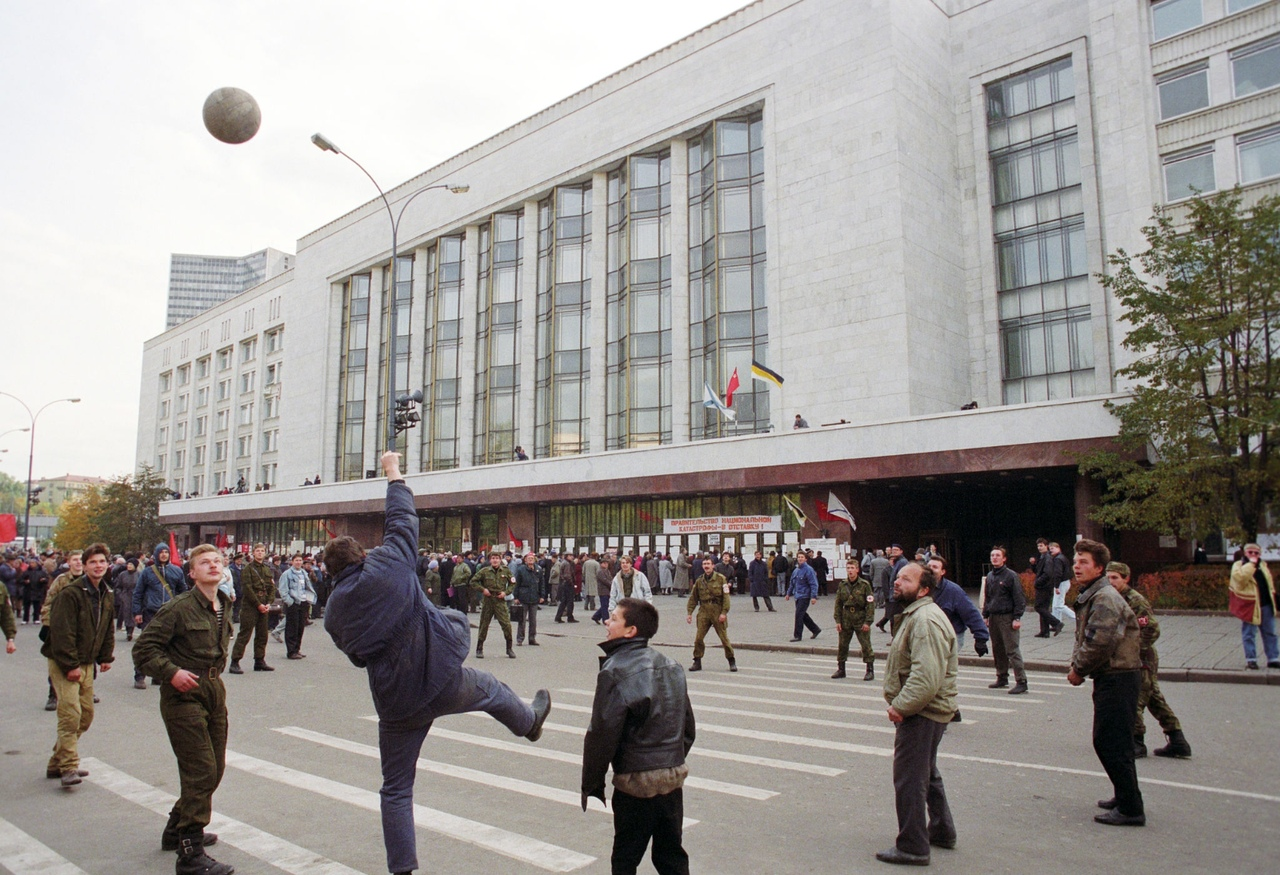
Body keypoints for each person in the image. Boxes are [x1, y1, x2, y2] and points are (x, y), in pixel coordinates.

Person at [323, 450, 551, 875]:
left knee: (395, 789)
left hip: (396, 702)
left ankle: (403, 869)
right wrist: (393, 473)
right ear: (361, 555)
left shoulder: (334, 612)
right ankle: (529, 723)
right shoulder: (388, 564)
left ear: (331, 572)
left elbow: (356, 658)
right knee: (492, 689)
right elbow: (402, 521)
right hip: (441, 675)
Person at [132, 544, 234, 875]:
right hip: (183, 696)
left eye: (218, 561)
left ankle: (176, 828)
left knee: (214, 768)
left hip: (213, 691)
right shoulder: (179, 608)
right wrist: (171, 672)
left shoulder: (225, 603)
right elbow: (143, 649)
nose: (213, 565)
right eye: (205, 562)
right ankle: (189, 852)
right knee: (201, 769)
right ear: (191, 573)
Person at [582, 598, 695, 875]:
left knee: (624, 860)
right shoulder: (671, 665)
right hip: (671, 779)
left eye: (613, 619)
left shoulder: (614, 670)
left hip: (635, 784)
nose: (607, 623)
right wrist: (669, 760)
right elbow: (688, 728)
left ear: (630, 630)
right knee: (671, 857)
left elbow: (602, 735)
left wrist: (592, 783)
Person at [875, 561, 957, 866]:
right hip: (929, 710)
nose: (897, 582)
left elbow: (926, 676)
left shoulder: (925, 620)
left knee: (909, 778)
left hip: (923, 712)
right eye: (898, 577)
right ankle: (941, 830)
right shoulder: (915, 614)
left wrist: (901, 707)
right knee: (927, 772)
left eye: (905, 580)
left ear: (924, 589)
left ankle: (913, 846)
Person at [1066, 539, 1145, 827]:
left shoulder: (1105, 597)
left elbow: (1100, 641)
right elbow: (1087, 636)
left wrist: (1079, 669)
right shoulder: (1094, 593)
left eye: (1084, 561)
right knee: (1114, 740)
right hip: (1112, 674)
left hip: (1119, 676)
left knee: (1110, 742)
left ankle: (1131, 808)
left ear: (1099, 567)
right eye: (1076, 561)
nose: (1077, 566)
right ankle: (1124, 796)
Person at [43, 542, 115, 788]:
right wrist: (70, 665)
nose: (98, 566)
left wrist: (106, 656)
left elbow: (107, 628)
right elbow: (62, 633)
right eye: (93, 562)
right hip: (65, 662)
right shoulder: (71, 593)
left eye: (102, 562)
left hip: (86, 663)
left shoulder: (106, 593)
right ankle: (68, 767)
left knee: (85, 715)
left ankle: (56, 761)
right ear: (84, 566)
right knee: (70, 714)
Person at [1106, 562, 1191, 759]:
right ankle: (1177, 740)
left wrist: (1135, 652)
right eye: (1108, 578)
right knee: (1154, 699)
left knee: (1134, 698)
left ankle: (1136, 743)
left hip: (1141, 658)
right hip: (1130, 656)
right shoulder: (1115, 598)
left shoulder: (1135, 600)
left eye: (1115, 578)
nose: (1111, 582)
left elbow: (1151, 629)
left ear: (1126, 578)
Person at [133, 544, 188, 690]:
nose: (164, 555)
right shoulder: (148, 572)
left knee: (167, 645)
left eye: (166, 552)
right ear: (156, 554)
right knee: (146, 645)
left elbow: (183, 592)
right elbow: (138, 593)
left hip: (170, 613)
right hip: (151, 612)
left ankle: (159, 675)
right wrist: (137, 612)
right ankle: (139, 676)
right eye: (161, 552)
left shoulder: (177, 571)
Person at [981, 546, 1027, 694]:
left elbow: (1019, 598)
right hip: (994, 616)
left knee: (1012, 649)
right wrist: (986, 615)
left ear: (1004, 558)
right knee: (997, 649)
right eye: (992, 555)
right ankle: (1002, 677)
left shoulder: (1010, 576)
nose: (994, 558)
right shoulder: (990, 576)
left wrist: (1017, 617)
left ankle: (1021, 681)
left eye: (997, 555)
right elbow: (988, 597)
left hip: (1007, 617)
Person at [228, 544, 275, 674]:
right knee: (245, 634)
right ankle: (235, 662)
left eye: (262, 551)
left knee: (262, 635)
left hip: (264, 605)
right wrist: (258, 604)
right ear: (253, 553)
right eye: (257, 551)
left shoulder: (267, 569)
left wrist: (269, 603)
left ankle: (259, 661)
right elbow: (247, 589)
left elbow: (271, 587)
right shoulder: (248, 569)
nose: (260, 553)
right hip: (250, 606)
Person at [1229, 542, 1278, 669]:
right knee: (1249, 633)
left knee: (1270, 633)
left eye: (1256, 553)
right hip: (1250, 605)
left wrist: (1274, 599)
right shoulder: (1238, 566)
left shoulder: (1263, 565)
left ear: (1260, 554)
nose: (1253, 555)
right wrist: (1251, 564)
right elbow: (1240, 579)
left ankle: (1273, 658)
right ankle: (1251, 659)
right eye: (1250, 552)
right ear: (1245, 553)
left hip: (1266, 605)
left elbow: (1269, 584)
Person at [686, 557, 735, 672]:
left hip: (717, 610)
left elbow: (726, 598)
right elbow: (693, 598)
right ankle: (697, 661)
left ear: (713, 566)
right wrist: (689, 613)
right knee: (698, 638)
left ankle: (731, 660)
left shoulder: (721, 579)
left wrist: (724, 612)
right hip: (704, 610)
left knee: (724, 638)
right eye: (704, 564)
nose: (706, 566)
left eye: (708, 564)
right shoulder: (699, 581)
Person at [833, 562, 876, 680]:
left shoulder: (864, 584)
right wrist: (838, 620)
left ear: (857, 570)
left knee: (865, 644)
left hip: (860, 617)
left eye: (852, 568)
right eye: (848, 568)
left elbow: (870, 604)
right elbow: (838, 603)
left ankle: (870, 670)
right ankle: (841, 669)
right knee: (842, 644)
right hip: (846, 617)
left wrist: (868, 622)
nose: (850, 571)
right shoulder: (843, 584)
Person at [473, 551, 516, 658]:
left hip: (500, 600)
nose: (495, 560)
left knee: (506, 624)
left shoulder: (505, 571)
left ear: (500, 559)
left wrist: (505, 593)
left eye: (497, 558)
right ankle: (479, 648)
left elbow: (512, 583)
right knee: (484, 625)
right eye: (493, 558)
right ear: (490, 560)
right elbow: (473, 581)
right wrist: (483, 590)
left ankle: (509, 648)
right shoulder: (485, 571)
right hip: (488, 600)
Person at [277, 553, 315, 660]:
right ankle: (291, 651)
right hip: (293, 603)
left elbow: (308, 587)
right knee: (292, 628)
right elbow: (283, 590)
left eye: (300, 560)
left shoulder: (303, 573)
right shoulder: (287, 574)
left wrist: (309, 599)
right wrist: (289, 601)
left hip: (303, 602)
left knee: (300, 627)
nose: (298, 562)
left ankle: (297, 649)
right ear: (292, 562)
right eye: (296, 560)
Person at [785, 550, 822, 642]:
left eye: (802, 557)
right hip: (797, 595)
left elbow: (814, 584)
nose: (800, 559)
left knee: (798, 615)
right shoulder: (796, 570)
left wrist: (813, 596)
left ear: (805, 559)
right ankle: (815, 629)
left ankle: (797, 635)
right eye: (799, 557)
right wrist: (788, 593)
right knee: (803, 615)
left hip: (805, 596)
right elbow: (792, 583)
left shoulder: (809, 570)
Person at [1033, 538, 1066, 637]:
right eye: (1038, 546)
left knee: (1038, 607)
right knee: (1043, 608)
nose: (1039, 548)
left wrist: (1037, 582)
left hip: (1044, 586)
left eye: (1041, 545)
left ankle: (1056, 623)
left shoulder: (1047, 557)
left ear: (1046, 546)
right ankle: (1045, 631)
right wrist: (1033, 565)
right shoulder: (1043, 556)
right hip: (1045, 586)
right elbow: (1038, 571)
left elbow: (1047, 573)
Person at [513, 552, 544, 646]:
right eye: (528, 558)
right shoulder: (521, 569)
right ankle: (520, 639)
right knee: (522, 620)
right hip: (523, 597)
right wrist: (516, 597)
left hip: (534, 597)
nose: (530, 560)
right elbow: (516, 584)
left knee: (533, 620)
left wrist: (542, 596)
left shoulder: (538, 569)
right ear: (525, 560)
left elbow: (542, 584)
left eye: (532, 558)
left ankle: (532, 638)